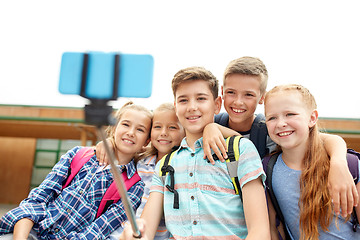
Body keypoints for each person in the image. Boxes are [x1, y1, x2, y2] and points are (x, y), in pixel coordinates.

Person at [120, 66, 271, 239]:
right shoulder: (164, 166)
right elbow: (146, 229)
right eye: (183, 100)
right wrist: (136, 234)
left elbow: (259, 232)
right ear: (176, 107)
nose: (192, 107)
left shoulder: (240, 150)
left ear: (216, 105)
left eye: (201, 98)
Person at [202, 56, 358, 217]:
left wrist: (339, 163)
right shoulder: (212, 123)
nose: (238, 102)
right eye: (231, 93)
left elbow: (325, 139)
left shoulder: (268, 130)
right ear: (222, 92)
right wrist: (209, 126)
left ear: (262, 97)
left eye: (248, 95)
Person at [0, 102, 152, 239]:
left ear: (146, 141)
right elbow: (37, 200)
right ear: (114, 128)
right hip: (31, 231)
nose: (131, 132)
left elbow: (96, 232)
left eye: (140, 129)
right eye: (126, 124)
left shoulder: (134, 187)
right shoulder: (78, 155)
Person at [264, 84, 360, 239]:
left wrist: (339, 163)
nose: (281, 123)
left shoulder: (350, 166)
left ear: (312, 118)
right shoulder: (268, 170)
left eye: (290, 114)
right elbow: (274, 230)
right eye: (272, 117)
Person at [107, 103, 185, 240]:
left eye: (172, 127)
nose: (164, 133)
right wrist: (108, 142)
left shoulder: (184, 168)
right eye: (157, 127)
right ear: (150, 135)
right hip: (118, 233)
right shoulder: (140, 162)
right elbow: (121, 152)